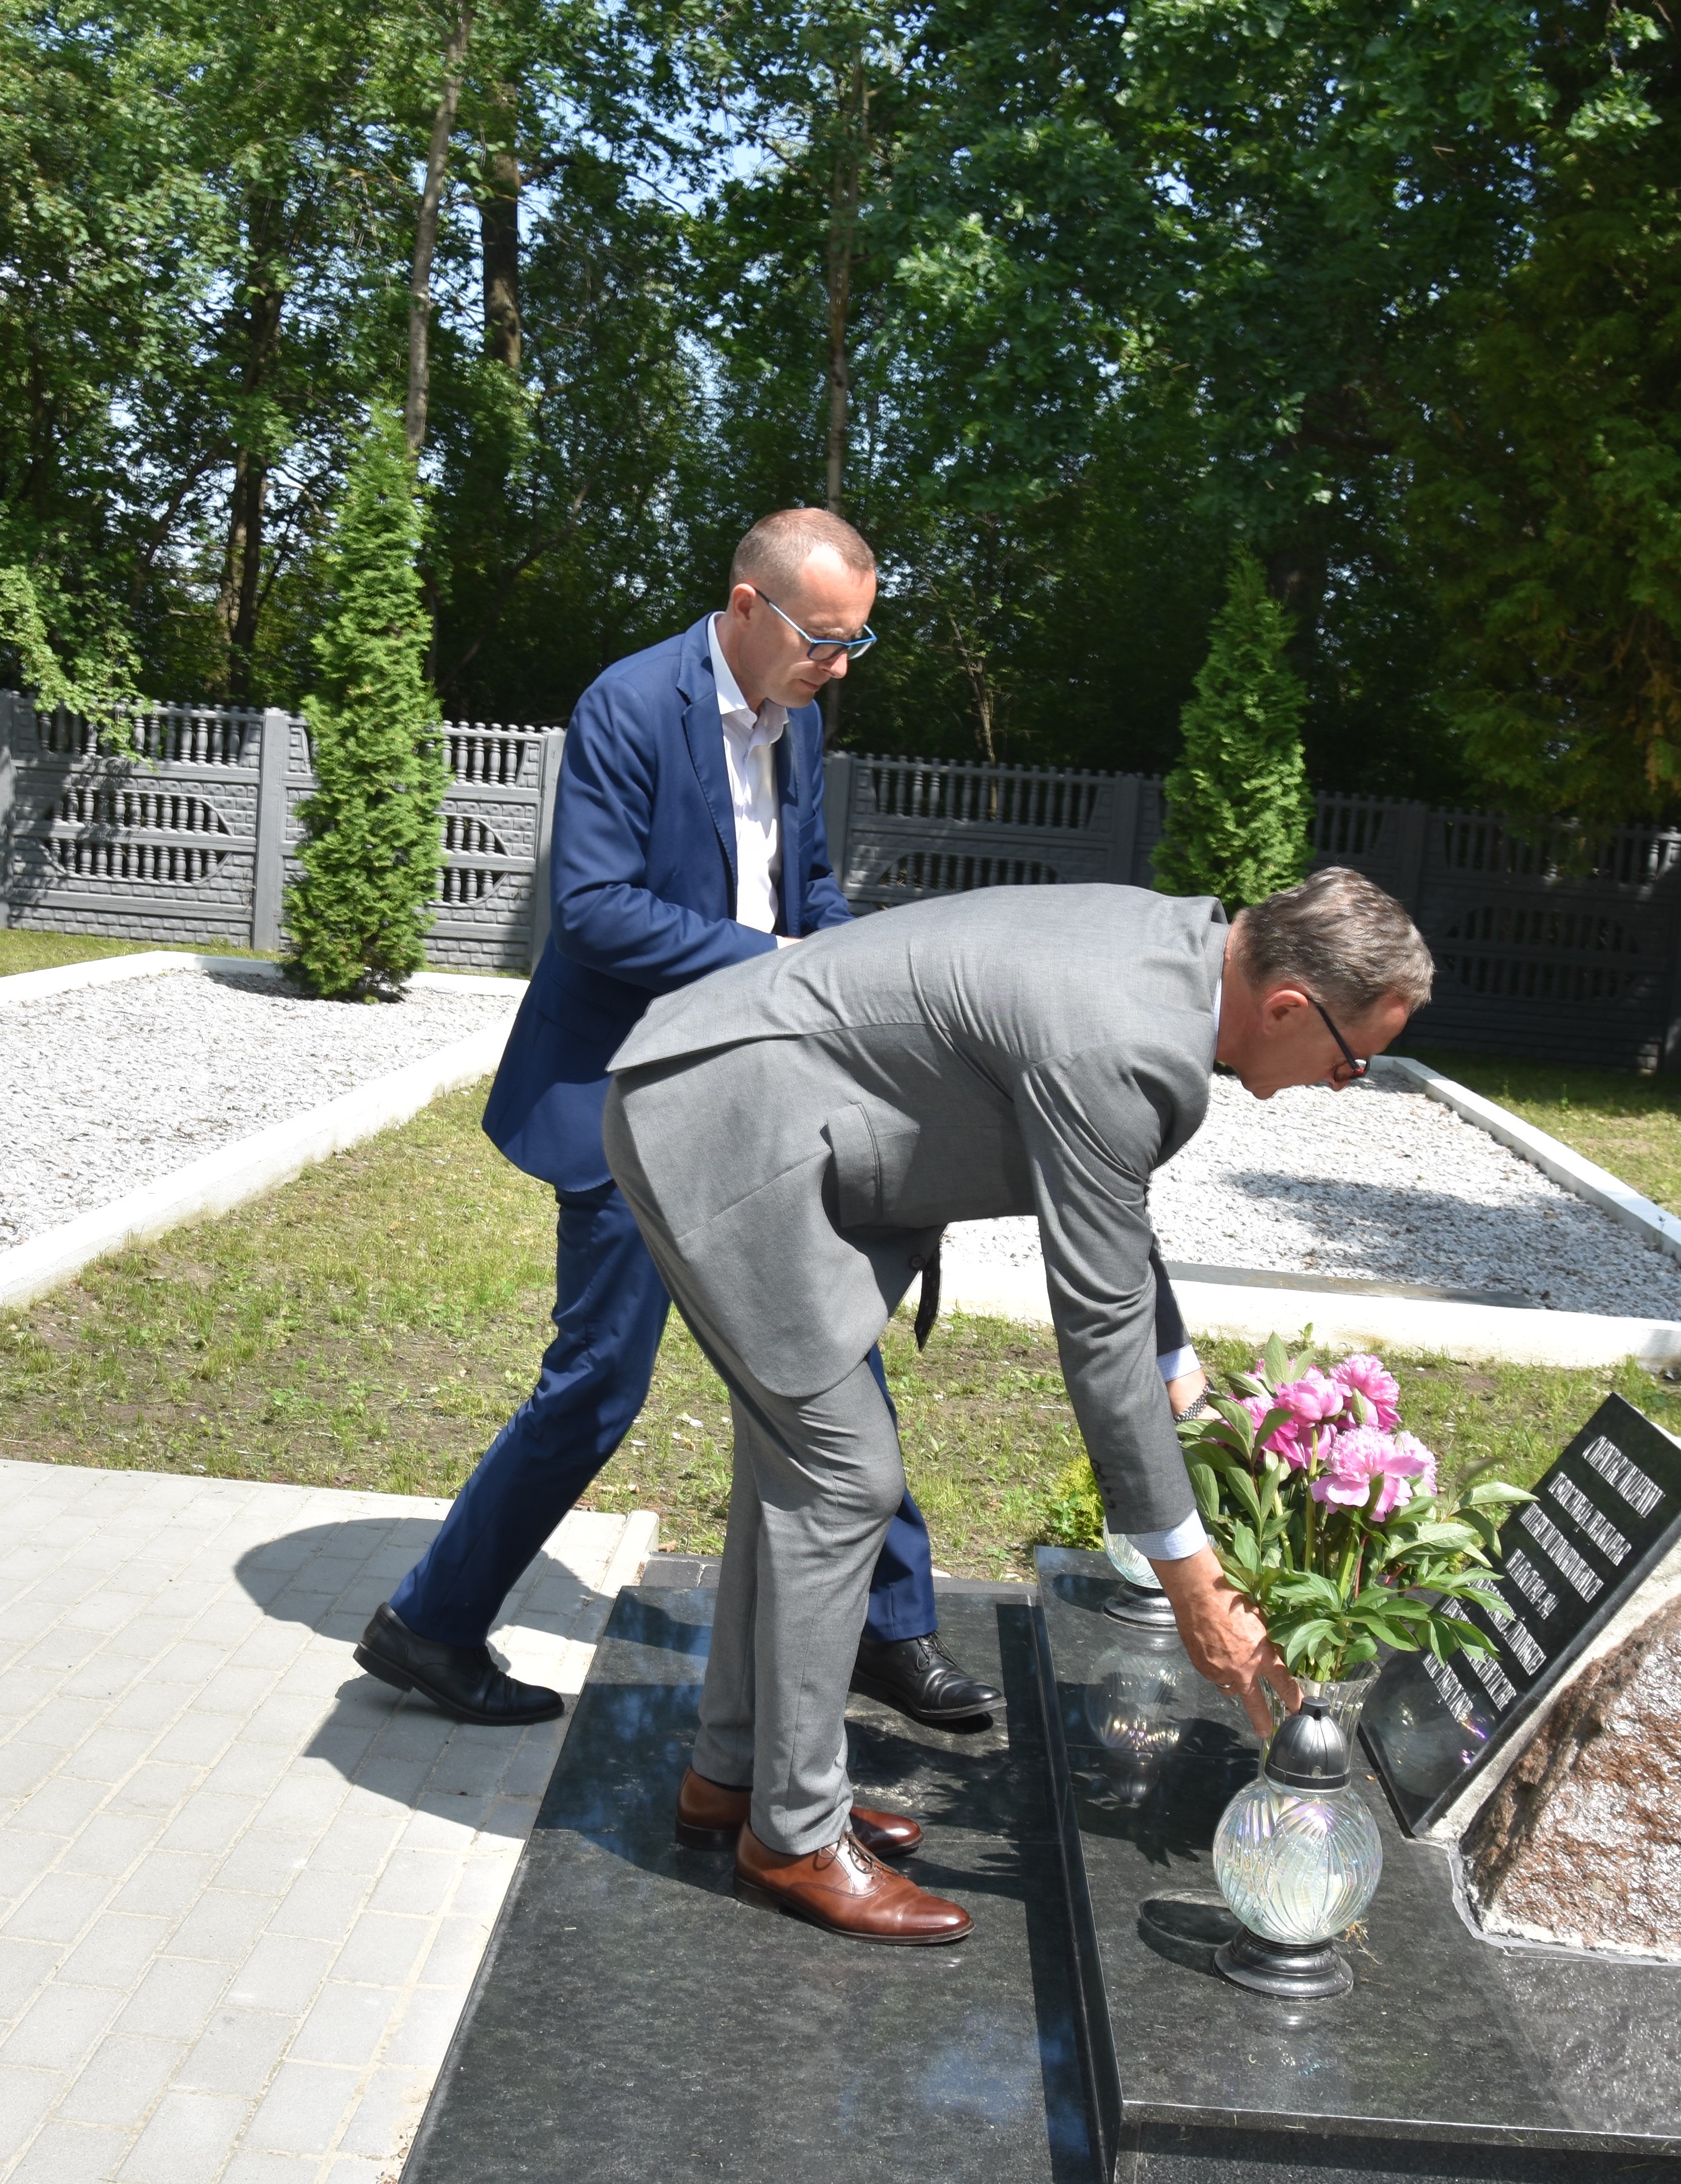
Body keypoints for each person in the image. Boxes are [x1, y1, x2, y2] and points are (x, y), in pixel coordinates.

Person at [601, 866, 1436, 1943]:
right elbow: (1096, 1325)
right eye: (1352, 1058)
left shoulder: (1171, 959)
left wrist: (1188, 1386)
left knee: (800, 1477)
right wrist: (1194, 1583)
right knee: (845, 1479)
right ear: (1287, 1007)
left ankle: (736, 1779)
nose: (1344, 1082)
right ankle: (794, 1836)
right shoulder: (1129, 1040)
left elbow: (1109, 1222)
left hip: (739, 1101)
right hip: (721, 1130)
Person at [352, 508, 1003, 1734]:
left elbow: (809, 889)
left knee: (832, 1342)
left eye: (858, 642)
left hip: (752, 1090)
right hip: (627, 1094)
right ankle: (430, 1627)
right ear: (749, 608)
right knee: (599, 1381)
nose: (840, 666)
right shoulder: (630, 704)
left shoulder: (800, 719)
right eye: (824, 639)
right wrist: (774, 961)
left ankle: (887, 1628)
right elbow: (595, 909)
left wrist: (871, 969)